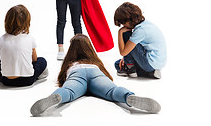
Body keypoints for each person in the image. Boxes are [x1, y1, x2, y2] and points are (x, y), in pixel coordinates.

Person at [30, 34, 161, 116]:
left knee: (68, 92)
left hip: (76, 73)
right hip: (95, 72)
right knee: (113, 91)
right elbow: (107, 76)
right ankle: (129, 97)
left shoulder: (71, 63)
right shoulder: (95, 62)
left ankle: (56, 97)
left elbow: (63, 79)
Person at [0, 5, 48, 87]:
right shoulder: (30, 38)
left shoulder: (2, 38)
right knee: (42, 61)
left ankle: (3, 74)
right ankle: (39, 75)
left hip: (6, 80)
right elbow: (34, 59)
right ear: (27, 22)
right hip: (27, 80)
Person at [114, 2, 167, 79]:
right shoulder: (146, 24)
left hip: (149, 63)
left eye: (123, 23)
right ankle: (150, 73)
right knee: (118, 63)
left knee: (126, 34)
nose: (123, 26)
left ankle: (130, 68)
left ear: (128, 21)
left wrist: (120, 32)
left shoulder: (140, 30)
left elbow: (123, 52)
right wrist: (125, 58)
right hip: (157, 63)